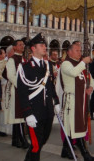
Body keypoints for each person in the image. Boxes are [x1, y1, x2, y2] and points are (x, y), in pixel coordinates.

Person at [17, 33, 60, 161]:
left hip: (47, 111)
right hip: (34, 112)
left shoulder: (48, 66)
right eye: (41, 45)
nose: (45, 47)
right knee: (36, 145)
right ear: (33, 49)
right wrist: (27, 113)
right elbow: (22, 92)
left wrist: (56, 102)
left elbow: (51, 86)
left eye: (45, 45)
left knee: (42, 141)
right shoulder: (24, 68)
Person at [60, 43, 94, 161]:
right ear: (69, 52)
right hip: (72, 100)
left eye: (80, 50)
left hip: (82, 99)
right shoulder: (66, 63)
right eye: (77, 50)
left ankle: (65, 150)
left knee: (74, 126)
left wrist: (91, 87)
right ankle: (85, 154)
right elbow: (73, 72)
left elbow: (90, 78)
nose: (79, 53)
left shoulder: (81, 64)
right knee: (76, 125)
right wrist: (83, 62)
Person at [3, 40, 29, 149]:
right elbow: (11, 75)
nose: (22, 46)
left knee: (20, 115)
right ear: (14, 47)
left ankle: (16, 139)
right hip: (15, 90)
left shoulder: (24, 59)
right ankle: (20, 139)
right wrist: (22, 86)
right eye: (20, 45)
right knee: (17, 115)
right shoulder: (12, 60)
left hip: (23, 90)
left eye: (23, 44)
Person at [0, 48, 12, 137]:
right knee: (2, 110)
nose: (5, 54)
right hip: (0, 88)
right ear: (0, 55)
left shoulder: (6, 62)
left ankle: (7, 128)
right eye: (4, 53)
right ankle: (1, 129)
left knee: (7, 108)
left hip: (7, 88)